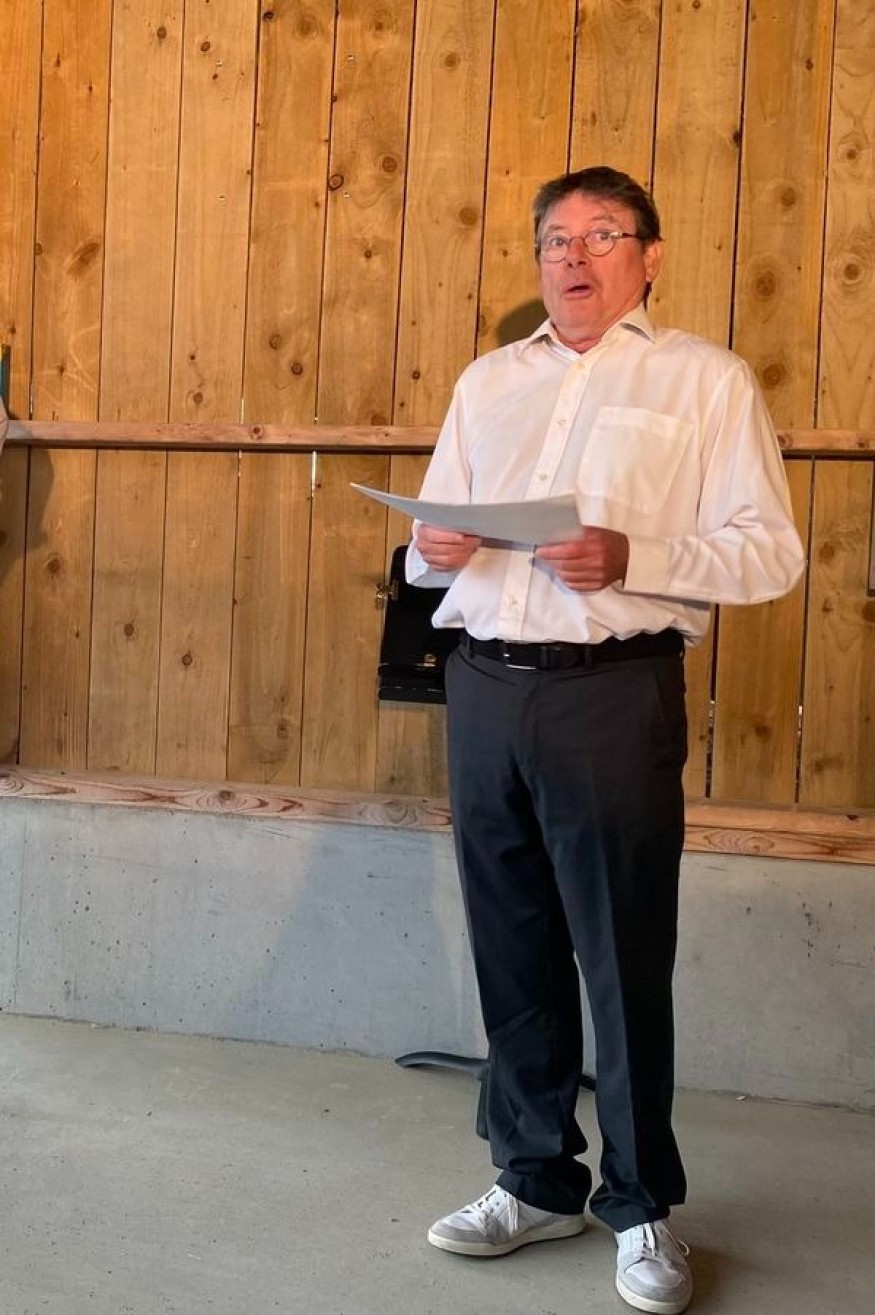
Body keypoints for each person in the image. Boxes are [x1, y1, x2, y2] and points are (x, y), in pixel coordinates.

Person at [405, 166, 805, 1315]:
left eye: (600, 235)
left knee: (620, 956)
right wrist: (431, 547)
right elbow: (430, 548)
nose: (571, 257)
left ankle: (637, 1206)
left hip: (610, 693)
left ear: (648, 256)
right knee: (510, 947)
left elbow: (768, 551)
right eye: (554, 239)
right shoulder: (488, 382)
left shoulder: (703, 380)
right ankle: (532, 1179)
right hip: (484, 687)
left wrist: (636, 556)